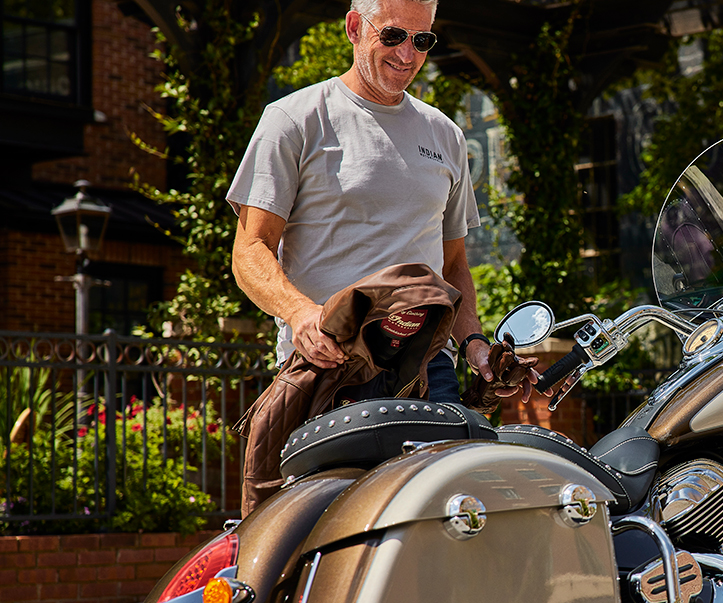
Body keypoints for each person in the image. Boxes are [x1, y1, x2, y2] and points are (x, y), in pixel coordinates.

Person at [228, 0, 537, 405]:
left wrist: (475, 345)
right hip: (329, 363)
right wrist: (300, 314)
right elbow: (250, 249)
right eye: (392, 36)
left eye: (421, 41)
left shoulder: (446, 135)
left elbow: (454, 266)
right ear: (354, 27)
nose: (407, 54)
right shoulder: (294, 119)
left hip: (427, 368)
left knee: (464, 449)